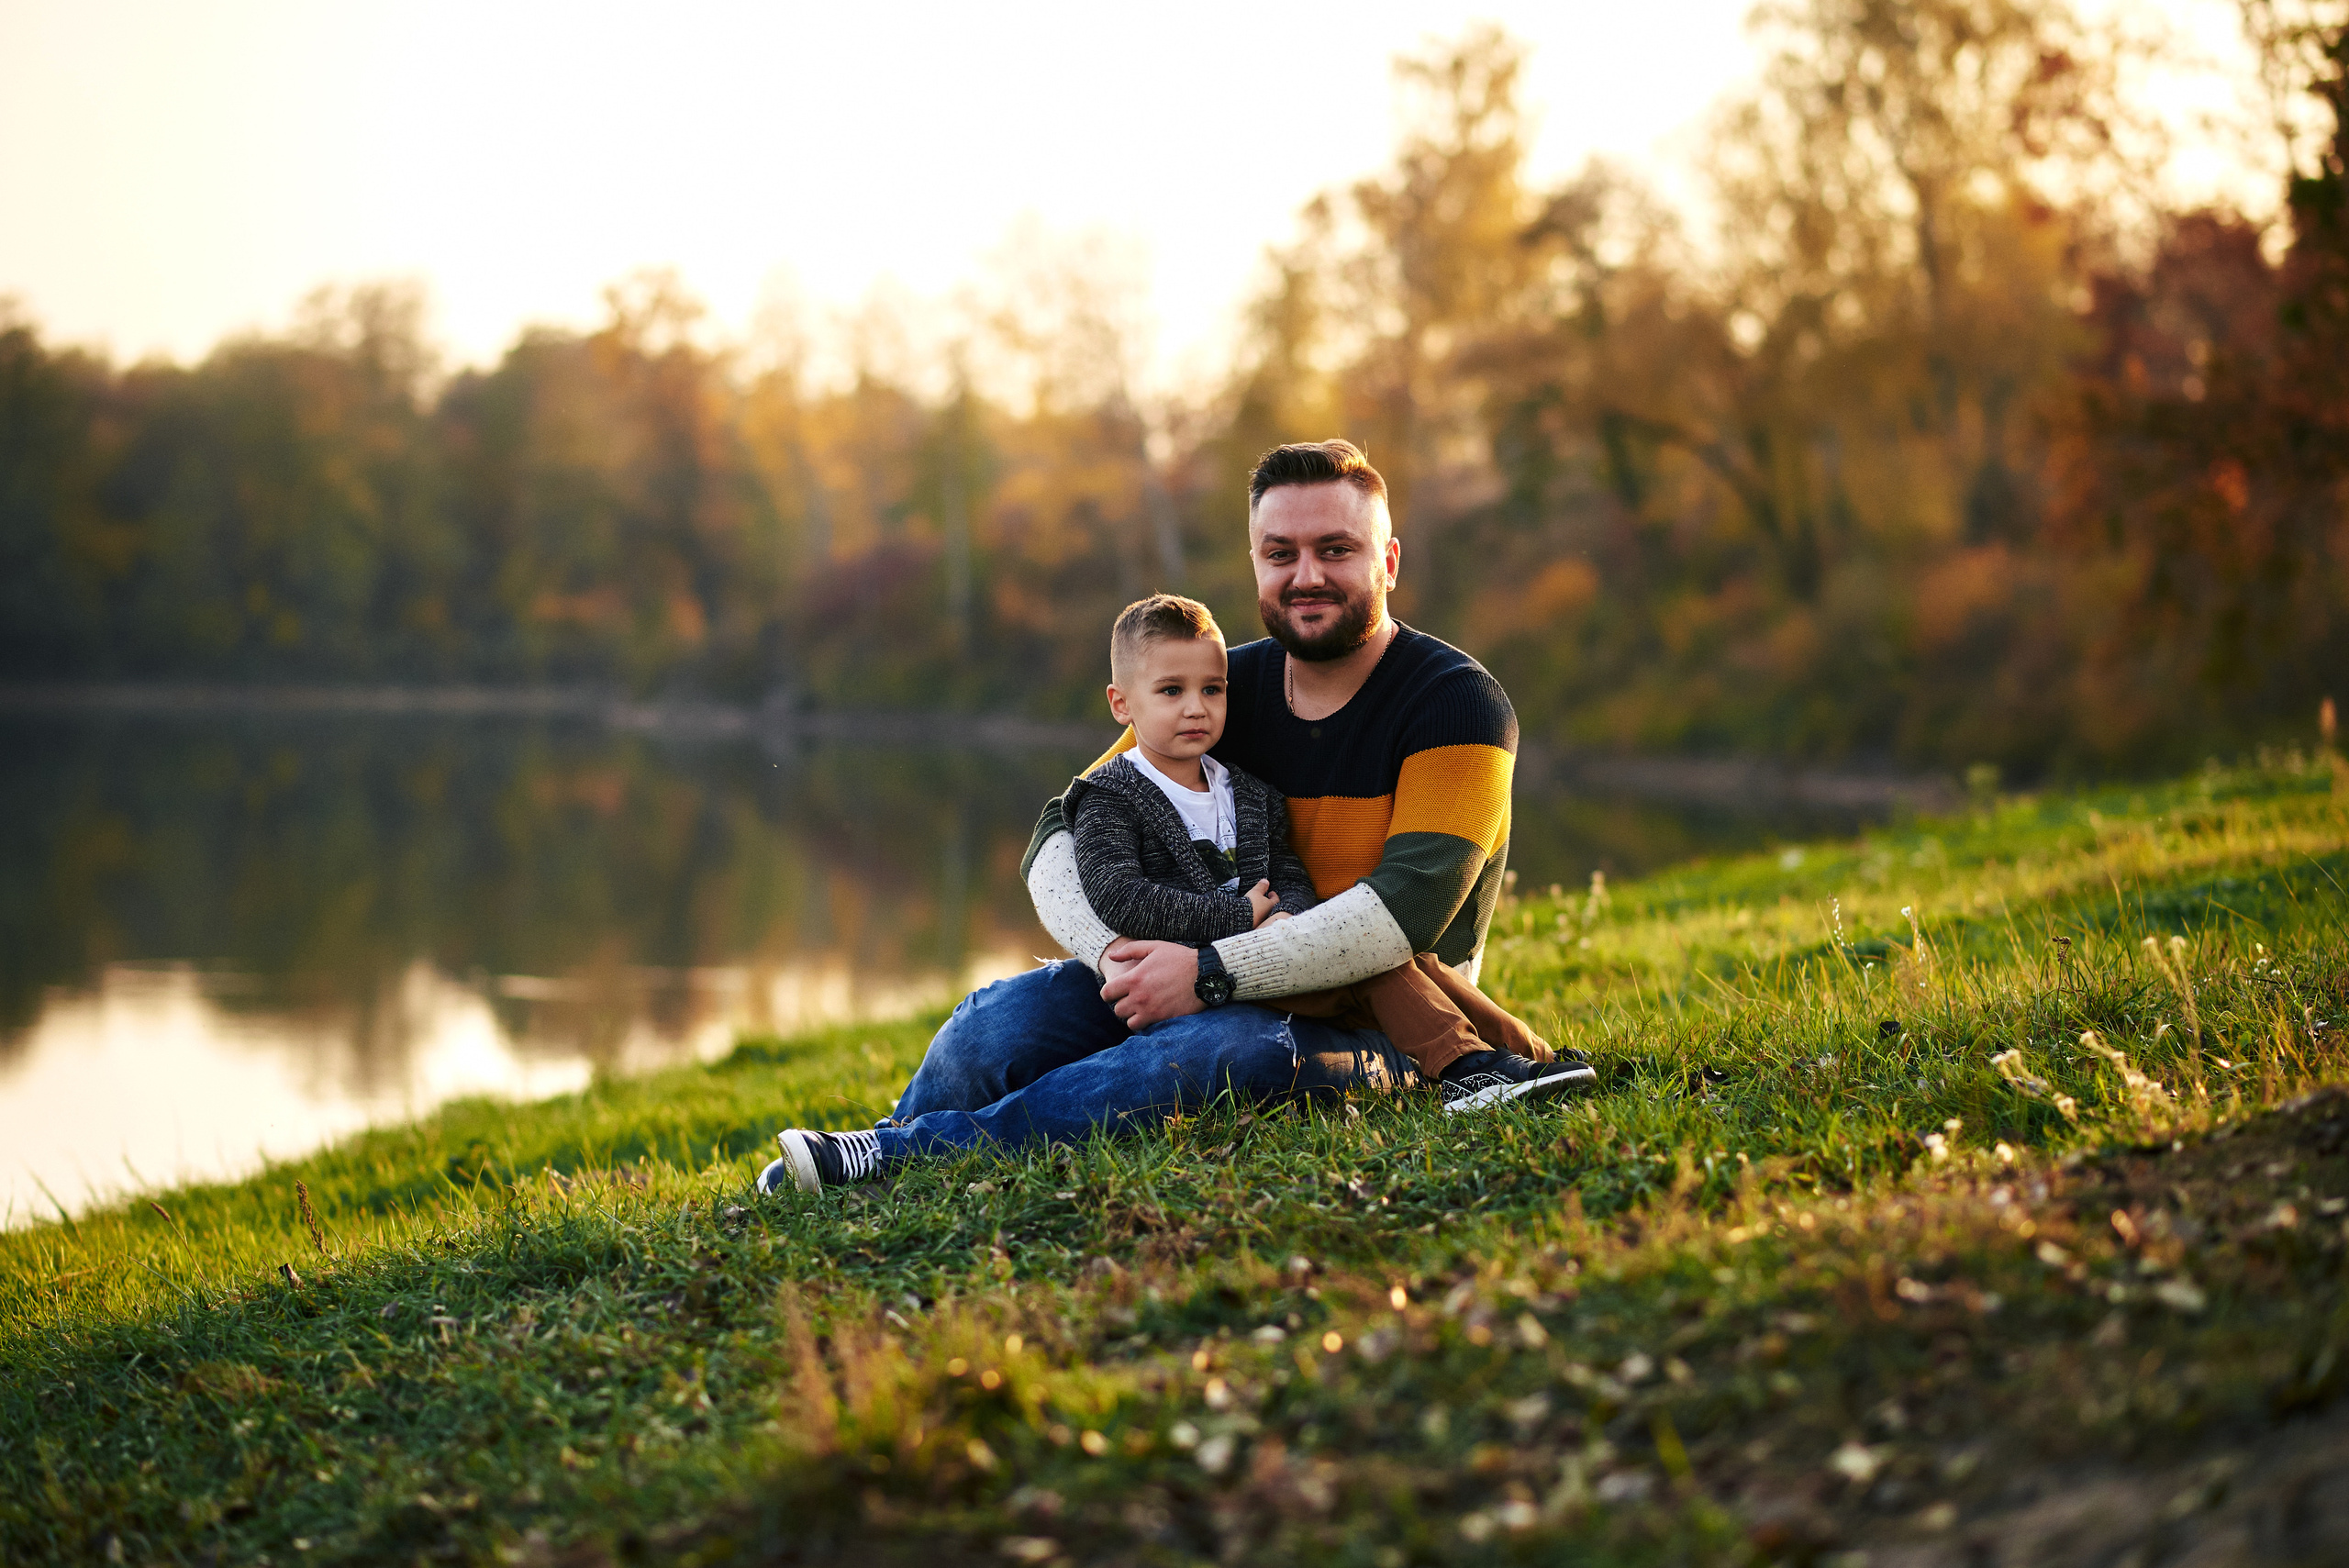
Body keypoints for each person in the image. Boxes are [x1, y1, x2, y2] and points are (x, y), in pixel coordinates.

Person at [760, 439, 1593, 1195]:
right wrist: (1120, 958)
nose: (1306, 575)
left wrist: (1209, 973)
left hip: (1384, 1022)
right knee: (997, 1024)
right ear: (1256, 564)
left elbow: (1400, 916)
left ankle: (905, 1158)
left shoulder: (1457, 705)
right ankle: (864, 1161)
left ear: (1389, 559)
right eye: (1281, 553)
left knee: (1215, 1054)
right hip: (1195, 960)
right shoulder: (1218, 687)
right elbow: (1059, 835)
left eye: (1336, 550)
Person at [1061, 590, 1581, 1106]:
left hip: (1257, 957)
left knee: (1409, 960)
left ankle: (1530, 1059)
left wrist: (1289, 921)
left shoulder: (1249, 791)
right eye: (1171, 692)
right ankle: (1472, 1068)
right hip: (1186, 970)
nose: (1197, 708)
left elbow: (1286, 872)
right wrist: (1240, 922)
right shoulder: (1109, 794)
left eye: (1213, 690)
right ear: (1121, 703)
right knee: (1378, 966)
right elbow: (1120, 896)